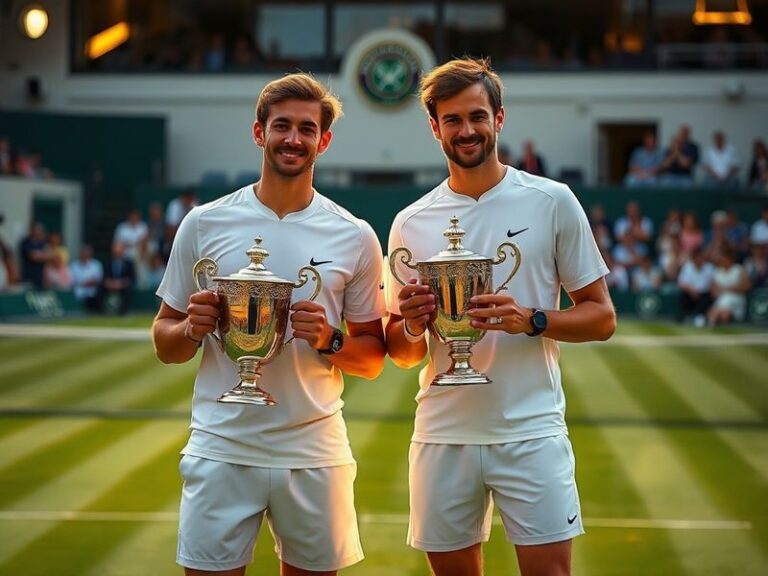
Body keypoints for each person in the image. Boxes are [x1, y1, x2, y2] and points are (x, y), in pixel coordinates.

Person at [385, 58, 616, 576]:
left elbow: (602, 317)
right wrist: (413, 324)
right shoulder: (410, 222)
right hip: (443, 432)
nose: (466, 130)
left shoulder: (552, 200)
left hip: (531, 430)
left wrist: (532, 320)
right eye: (452, 120)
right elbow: (400, 354)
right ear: (434, 127)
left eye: (476, 117)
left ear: (499, 119)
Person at [151, 73, 387, 576]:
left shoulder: (355, 235)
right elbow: (164, 342)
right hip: (222, 445)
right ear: (259, 133)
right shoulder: (203, 222)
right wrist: (191, 329)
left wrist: (330, 338)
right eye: (282, 126)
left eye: (307, 129)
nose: (293, 139)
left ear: (323, 140)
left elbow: (371, 359)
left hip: (313, 448)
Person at [70, 244, 103, 312]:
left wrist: (91, 282)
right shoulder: (74, 266)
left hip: (93, 291)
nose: (85, 254)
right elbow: (72, 280)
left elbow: (98, 279)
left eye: (87, 252)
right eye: (83, 252)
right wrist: (84, 283)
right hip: (78, 291)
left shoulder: (96, 264)